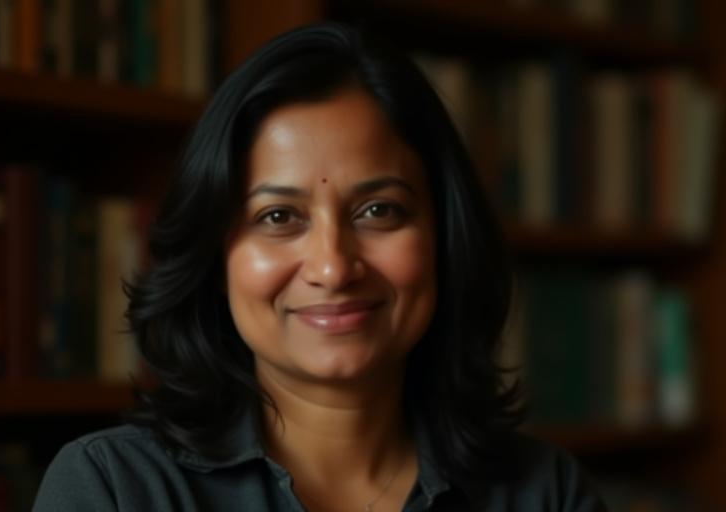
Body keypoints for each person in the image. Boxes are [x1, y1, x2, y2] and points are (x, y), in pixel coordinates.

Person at [33, 22, 606, 512]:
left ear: (445, 236)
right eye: (279, 215)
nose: (333, 267)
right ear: (214, 253)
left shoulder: (543, 493)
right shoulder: (114, 489)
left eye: (379, 210)